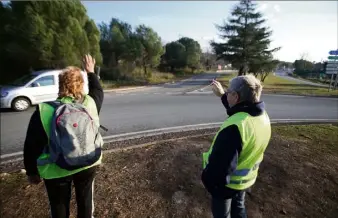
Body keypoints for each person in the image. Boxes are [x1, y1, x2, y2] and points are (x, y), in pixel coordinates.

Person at [23, 54, 104, 218]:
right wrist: (90, 71)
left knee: (59, 204)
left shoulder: (44, 110)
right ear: (81, 85)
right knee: (86, 200)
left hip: (56, 167)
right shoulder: (91, 103)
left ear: (60, 85)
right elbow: (98, 89)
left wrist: (32, 172)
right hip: (88, 162)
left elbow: (31, 146)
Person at [201, 74, 271, 218]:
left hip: (226, 187)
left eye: (229, 92)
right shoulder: (261, 116)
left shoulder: (235, 129)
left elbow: (219, 171)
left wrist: (207, 180)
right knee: (239, 209)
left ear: (236, 96)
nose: (226, 94)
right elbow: (240, 111)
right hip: (245, 181)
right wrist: (222, 95)